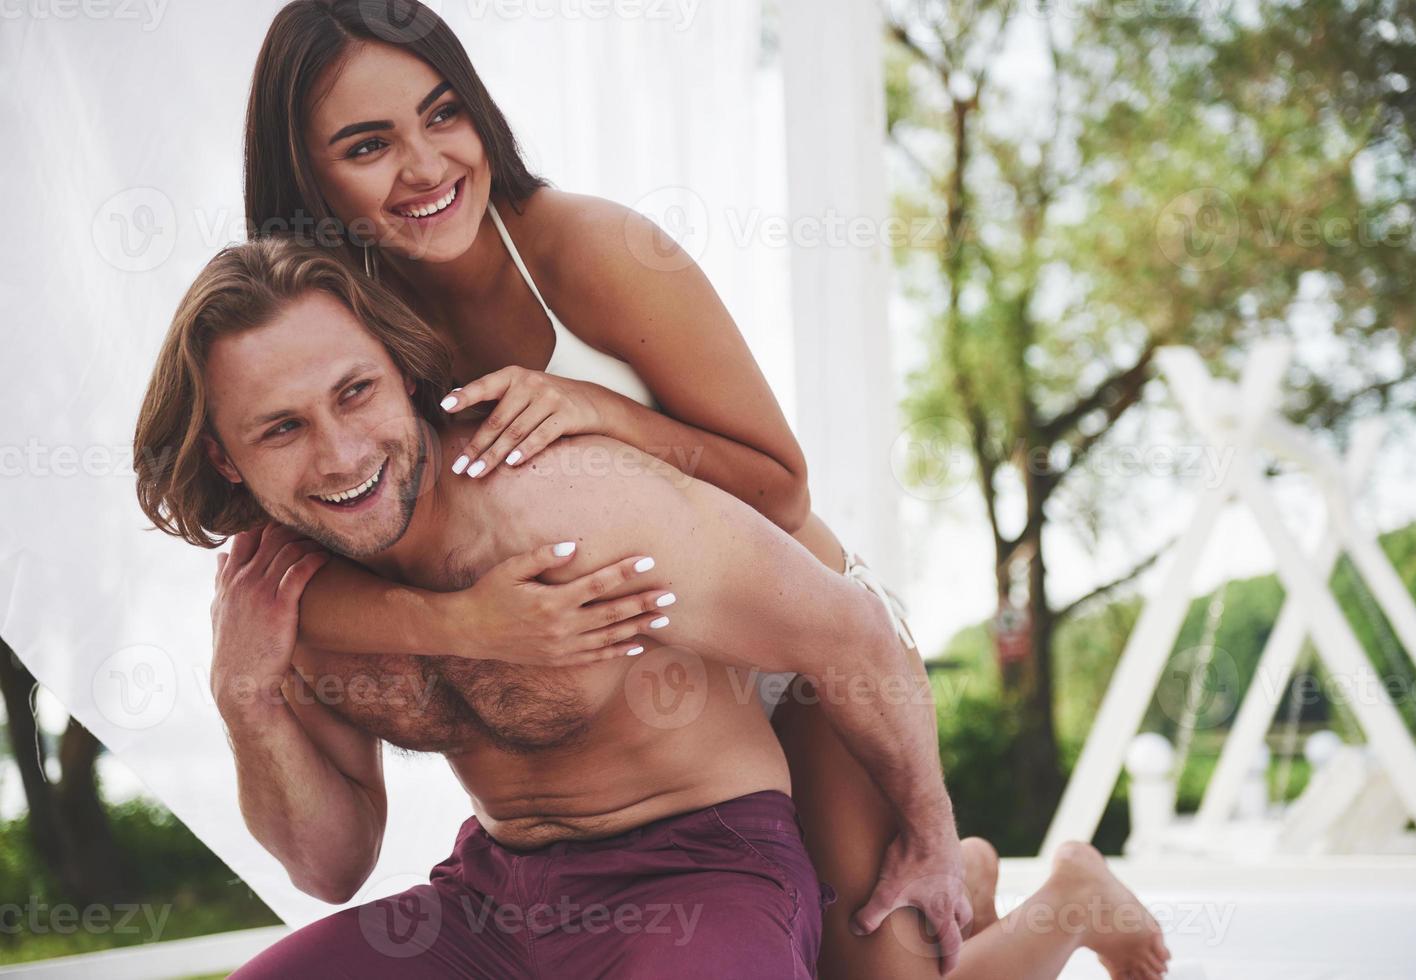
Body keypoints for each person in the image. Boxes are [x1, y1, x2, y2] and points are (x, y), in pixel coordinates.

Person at [226, 3, 1170, 977]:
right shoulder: (331, 335)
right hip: (637, 695)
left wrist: (602, 410)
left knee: (880, 977)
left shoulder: (584, 248)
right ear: (307, 177)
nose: (424, 165)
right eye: (368, 143)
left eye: (442, 112)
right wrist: (477, 626)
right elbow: (306, 574)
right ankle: (964, 898)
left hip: (796, 641)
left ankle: (1060, 900)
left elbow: (779, 480)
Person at [134, 237, 971, 978]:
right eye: (281, 429)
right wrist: (244, 699)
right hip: (493, 899)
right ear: (227, 458)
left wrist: (931, 838)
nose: (341, 454)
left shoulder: (564, 503)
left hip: (699, 874)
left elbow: (852, 632)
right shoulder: (289, 598)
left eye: (355, 393)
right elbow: (333, 868)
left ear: (404, 370)